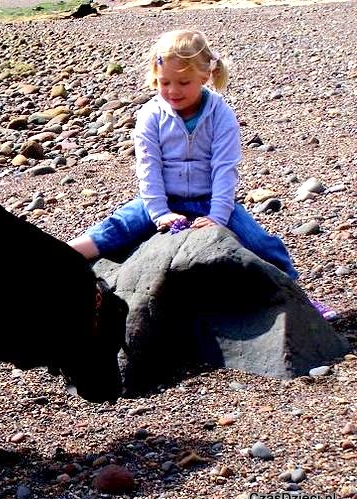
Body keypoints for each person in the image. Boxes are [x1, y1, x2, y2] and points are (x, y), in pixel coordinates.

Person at [68, 29, 337, 321]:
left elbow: (225, 168)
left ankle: (299, 298)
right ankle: (61, 256)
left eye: (183, 82)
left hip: (209, 200)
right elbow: (148, 168)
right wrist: (159, 212)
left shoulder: (221, 116)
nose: (172, 90)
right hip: (163, 199)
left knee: (260, 243)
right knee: (117, 228)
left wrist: (219, 216)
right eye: (164, 82)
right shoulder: (151, 115)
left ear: (204, 77)